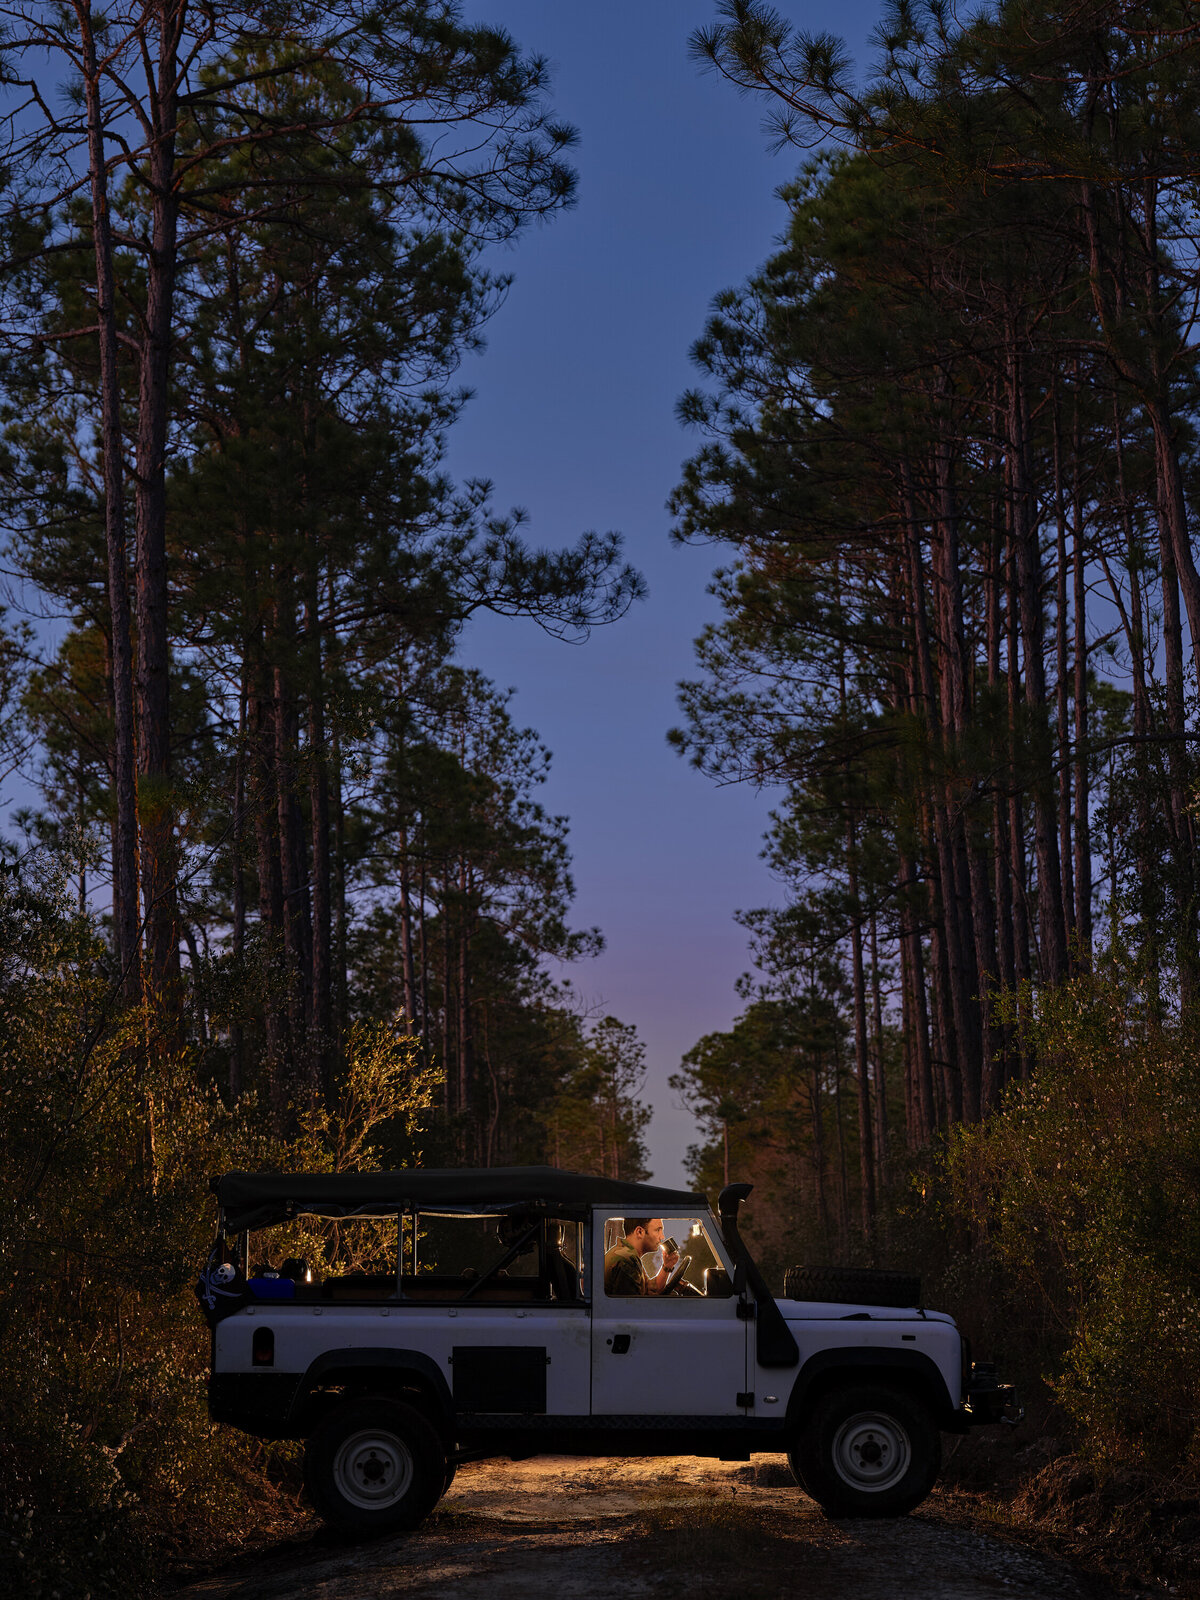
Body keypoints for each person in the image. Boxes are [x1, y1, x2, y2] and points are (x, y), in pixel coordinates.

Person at [603, 1217, 680, 1296]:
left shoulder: (629, 1255)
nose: (662, 1237)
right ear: (639, 1232)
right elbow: (634, 1306)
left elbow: (650, 1290)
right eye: (657, 1230)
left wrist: (667, 1266)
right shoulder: (626, 1260)